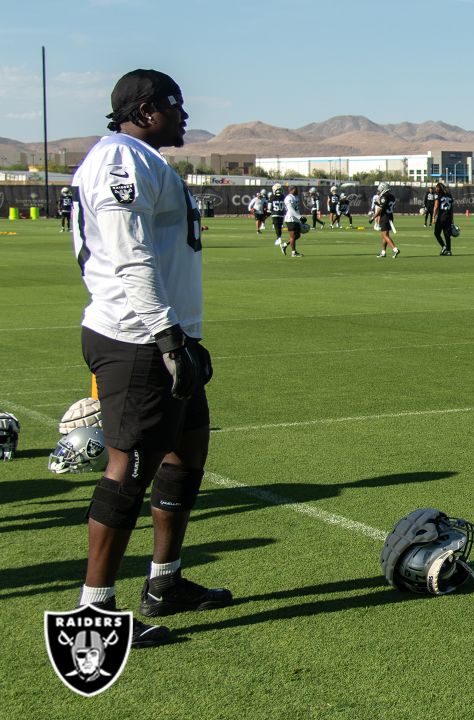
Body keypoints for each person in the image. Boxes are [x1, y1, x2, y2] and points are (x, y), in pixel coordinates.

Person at [69, 68, 231, 649]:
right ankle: (96, 612)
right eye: (173, 104)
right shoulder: (120, 159)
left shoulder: (143, 158)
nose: (184, 114)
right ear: (142, 109)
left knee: (186, 452)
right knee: (128, 468)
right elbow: (127, 254)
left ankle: (165, 583)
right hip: (138, 340)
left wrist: (184, 334)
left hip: (166, 335)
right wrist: (165, 337)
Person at [372, 181, 399, 258]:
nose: (380, 190)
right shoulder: (392, 196)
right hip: (390, 216)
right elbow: (386, 205)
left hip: (385, 217)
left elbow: (380, 209)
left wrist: (373, 217)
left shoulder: (384, 196)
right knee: (384, 235)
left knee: (385, 235)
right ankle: (383, 252)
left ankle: (395, 249)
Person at [280, 186, 305, 257]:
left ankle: (284, 245)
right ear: (292, 190)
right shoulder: (289, 198)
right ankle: (294, 253)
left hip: (295, 219)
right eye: (296, 189)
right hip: (290, 218)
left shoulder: (296, 197)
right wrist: (299, 217)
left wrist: (300, 218)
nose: (297, 191)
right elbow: (290, 209)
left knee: (297, 235)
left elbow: (296, 209)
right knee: (293, 236)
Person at [432, 182, 455, 255]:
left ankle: (443, 246)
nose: (436, 189)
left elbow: (436, 206)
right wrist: (452, 219)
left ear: (439, 188)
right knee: (447, 235)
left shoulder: (438, 195)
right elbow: (451, 209)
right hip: (448, 217)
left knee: (436, 233)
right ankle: (448, 251)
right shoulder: (449, 195)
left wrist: (433, 217)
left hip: (441, 217)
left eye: (437, 188)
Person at [267, 182, 286, 246]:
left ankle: (278, 238)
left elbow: (269, 207)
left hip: (275, 213)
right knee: (279, 226)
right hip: (281, 214)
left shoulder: (272, 196)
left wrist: (269, 210)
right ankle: (278, 237)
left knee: (276, 227)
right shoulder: (283, 196)